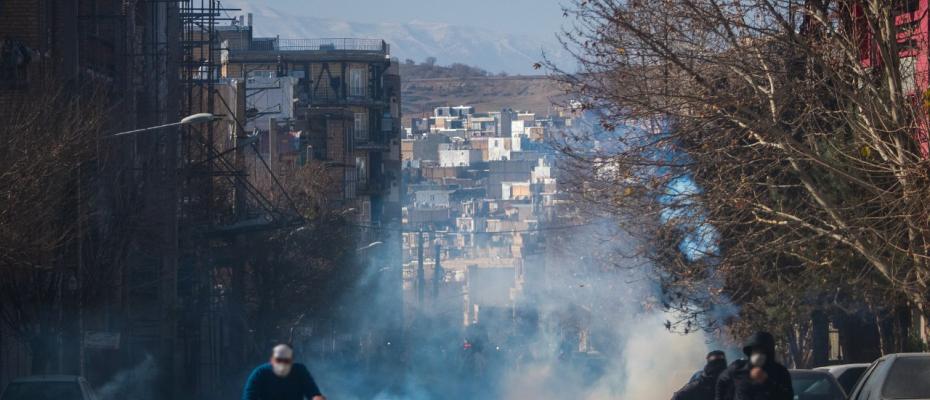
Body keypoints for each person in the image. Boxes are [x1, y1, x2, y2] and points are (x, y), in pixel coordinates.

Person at [715, 332, 793, 400]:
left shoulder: (780, 372)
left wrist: (766, 381)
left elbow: (787, 396)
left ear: (769, 352)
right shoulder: (738, 367)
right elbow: (721, 381)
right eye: (755, 350)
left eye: (762, 351)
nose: (758, 354)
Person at [242, 344, 326, 400]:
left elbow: (313, 393)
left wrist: (317, 398)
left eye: (286, 360)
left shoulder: (300, 371)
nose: (282, 363)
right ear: (271, 360)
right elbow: (249, 397)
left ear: (291, 360)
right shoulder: (260, 373)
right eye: (279, 360)